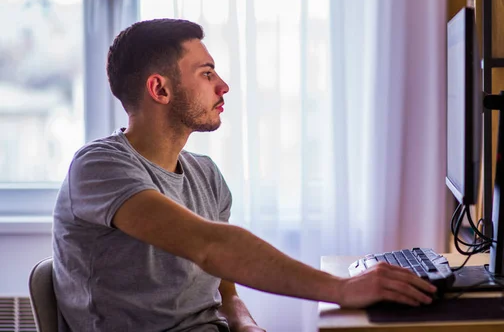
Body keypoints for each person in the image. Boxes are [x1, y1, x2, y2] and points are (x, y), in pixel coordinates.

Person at [52, 18, 437, 332]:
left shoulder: (205, 174)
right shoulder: (99, 167)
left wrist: (246, 325)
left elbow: (224, 291)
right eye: (206, 74)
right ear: (160, 89)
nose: (223, 86)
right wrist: (342, 289)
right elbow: (210, 245)